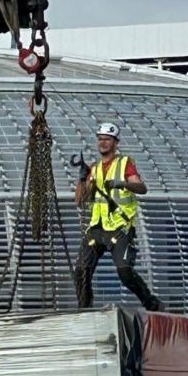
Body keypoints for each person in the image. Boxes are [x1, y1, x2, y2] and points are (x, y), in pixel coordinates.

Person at [73, 122, 161, 311]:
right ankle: (85, 310)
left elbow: (141, 188)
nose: (103, 143)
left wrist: (122, 184)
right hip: (97, 226)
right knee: (81, 270)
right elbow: (80, 201)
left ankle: (151, 302)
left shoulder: (124, 164)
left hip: (120, 227)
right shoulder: (94, 169)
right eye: (100, 139)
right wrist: (81, 179)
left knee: (125, 272)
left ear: (115, 143)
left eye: (107, 139)